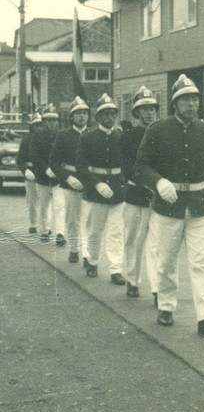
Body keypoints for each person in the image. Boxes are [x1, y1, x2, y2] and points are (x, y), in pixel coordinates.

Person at [136, 74, 204, 337]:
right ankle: (166, 306)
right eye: (185, 100)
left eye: (195, 99)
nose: (191, 104)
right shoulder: (157, 130)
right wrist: (158, 182)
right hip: (168, 206)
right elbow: (141, 166)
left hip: (200, 206)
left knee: (201, 262)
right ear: (175, 104)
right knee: (167, 260)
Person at [77, 94, 126, 284]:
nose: (109, 118)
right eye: (105, 114)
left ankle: (115, 269)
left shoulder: (121, 136)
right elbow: (81, 167)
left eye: (112, 114)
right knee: (95, 231)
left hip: (117, 190)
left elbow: (127, 163)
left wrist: (123, 182)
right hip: (95, 191)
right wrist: (96, 183)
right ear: (98, 117)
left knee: (116, 232)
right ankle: (93, 261)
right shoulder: (88, 137)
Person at [121, 86, 159, 300]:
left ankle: (156, 288)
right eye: (144, 109)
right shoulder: (129, 137)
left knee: (156, 244)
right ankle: (133, 280)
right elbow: (127, 167)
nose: (149, 112)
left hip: (157, 198)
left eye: (152, 108)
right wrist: (146, 182)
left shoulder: (163, 133)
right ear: (136, 112)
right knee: (134, 240)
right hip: (136, 196)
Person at [49, 96, 90, 264]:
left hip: (90, 182)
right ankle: (74, 248)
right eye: (78, 113)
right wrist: (67, 177)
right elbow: (54, 161)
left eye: (85, 113)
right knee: (73, 219)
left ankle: (88, 255)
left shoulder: (93, 134)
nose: (82, 116)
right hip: (70, 182)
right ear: (72, 116)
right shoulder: (63, 135)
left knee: (89, 220)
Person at [30, 104, 66, 246]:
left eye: (54, 120)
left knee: (60, 205)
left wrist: (58, 170)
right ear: (44, 122)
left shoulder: (62, 136)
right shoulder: (37, 136)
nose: (52, 123)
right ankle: (45, 230)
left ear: (58, 122)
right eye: (49, 120)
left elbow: (65, 155)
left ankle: (60, 233)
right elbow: (35, 156)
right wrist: (45, 168)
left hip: (58, 177)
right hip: (43, 177)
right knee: (44, 205)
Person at [17, 113, 42, 235]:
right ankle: (33, 223)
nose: (38, 128)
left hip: (43, 172)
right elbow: (19, 159)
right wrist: (25, 170)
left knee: (44, 201)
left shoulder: (47, 139)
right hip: (31, 172)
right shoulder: (26, 140)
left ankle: (45, 225)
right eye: (35, 125)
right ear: (31, 127)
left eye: (40, 125)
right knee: (32, 200)